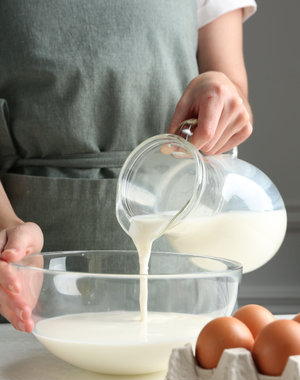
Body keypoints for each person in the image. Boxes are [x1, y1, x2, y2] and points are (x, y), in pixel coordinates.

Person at [0, 0, 256, 332]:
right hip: (25, 284)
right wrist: (6, 227)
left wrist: (221, 93)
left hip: (183, 263)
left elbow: (232, 88)